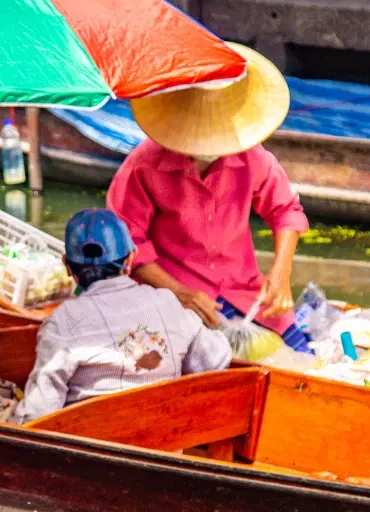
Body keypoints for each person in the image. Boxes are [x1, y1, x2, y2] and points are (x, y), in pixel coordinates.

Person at [107, 43, 311, 351]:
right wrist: (178, 292)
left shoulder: (250, 156)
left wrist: (281, 273)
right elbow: (127, 245)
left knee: (298, 355)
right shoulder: (144, 165)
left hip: (245, 292)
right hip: (173, 297)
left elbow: (285, 211)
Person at [14, 209, 232, 424]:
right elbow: (213, 360)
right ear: (130, 259)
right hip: (165, 443)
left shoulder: (62, 321)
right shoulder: (167, 302)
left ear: (67, 266)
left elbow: (39, 413)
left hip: (91, 451)